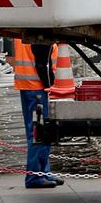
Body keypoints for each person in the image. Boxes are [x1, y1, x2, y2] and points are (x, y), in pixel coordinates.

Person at [12, 38, 64, 190]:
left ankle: (43, 172)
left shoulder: (24, 27)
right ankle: (35, 175)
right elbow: (43, 65)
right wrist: (52, 86)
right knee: (39, 132)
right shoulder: (41, 33)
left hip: (28, 86)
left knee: (38, 131)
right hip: (38, 88)